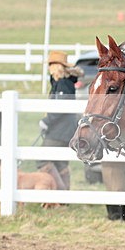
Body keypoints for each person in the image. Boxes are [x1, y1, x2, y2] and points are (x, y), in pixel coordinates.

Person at [37, 51, 83, 190]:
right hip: (64, 130)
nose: (49, 69)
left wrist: (47, 121)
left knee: (43, 159)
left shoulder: (63, 84)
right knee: (60, 162)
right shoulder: (64, 83)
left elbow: (61, 107)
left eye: (50, 65)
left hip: (59, 131)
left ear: (56, 66)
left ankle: (59, 191)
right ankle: (63, 194)